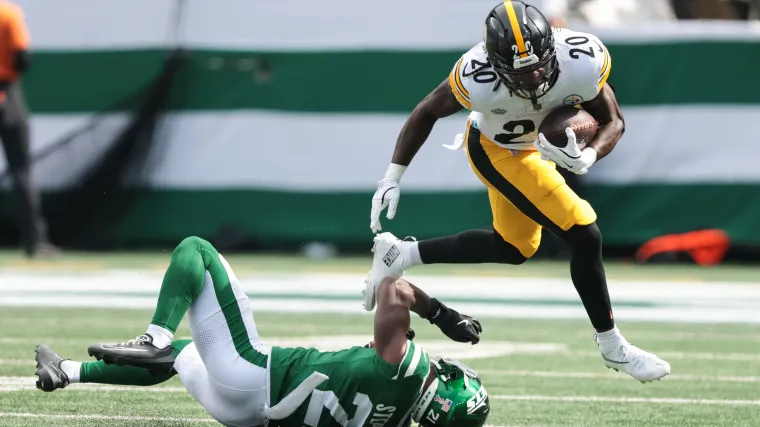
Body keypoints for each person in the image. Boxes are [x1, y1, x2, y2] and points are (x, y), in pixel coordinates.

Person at [367, 0, 670, 383]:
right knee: (584, 232)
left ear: (552, 48)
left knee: (514, 248)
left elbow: (613, 121)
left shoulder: (581, 58)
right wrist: (392, 177)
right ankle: (613, 346)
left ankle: (400, 254)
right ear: (494, 63)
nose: (533, 78)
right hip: (498, 150)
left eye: (539, 65)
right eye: (519, 72)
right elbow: (427, 110)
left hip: (532, 148)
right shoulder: (475, 75)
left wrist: (589, 155)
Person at [34, 236, 488, 427]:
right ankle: (66, 371)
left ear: (449, 389)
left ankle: (153, 336)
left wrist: (442, 315)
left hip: (252, 373)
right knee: (185, 353)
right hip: (245, 414)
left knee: (198, 251)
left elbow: (394, 288)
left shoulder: (407, 370)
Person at [0, 0, 57, 257]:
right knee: (21, 170)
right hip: (7, 95)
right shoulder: (8, 13)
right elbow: (22, 58)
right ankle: (34, 241)